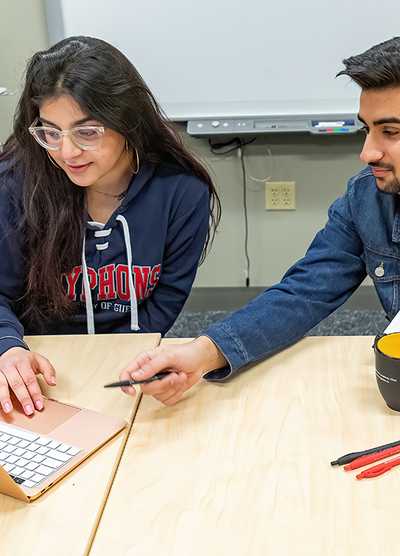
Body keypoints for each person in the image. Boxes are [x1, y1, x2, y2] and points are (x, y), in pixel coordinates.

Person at [119, 36, 400, 406]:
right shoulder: (366, 198)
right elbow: (304, 292)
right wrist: (203, 353)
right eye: (367, 129)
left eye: (391, 132)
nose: (367, 152)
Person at [0, 36, 221, 416]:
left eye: (87, 132)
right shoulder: (15, 184)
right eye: (50, 132)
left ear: (127, 122)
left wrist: (128, 359)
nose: (66, 152)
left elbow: (166, 296)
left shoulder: (182, 191)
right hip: (36, 371)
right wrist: (7, 347)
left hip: (126, 373)